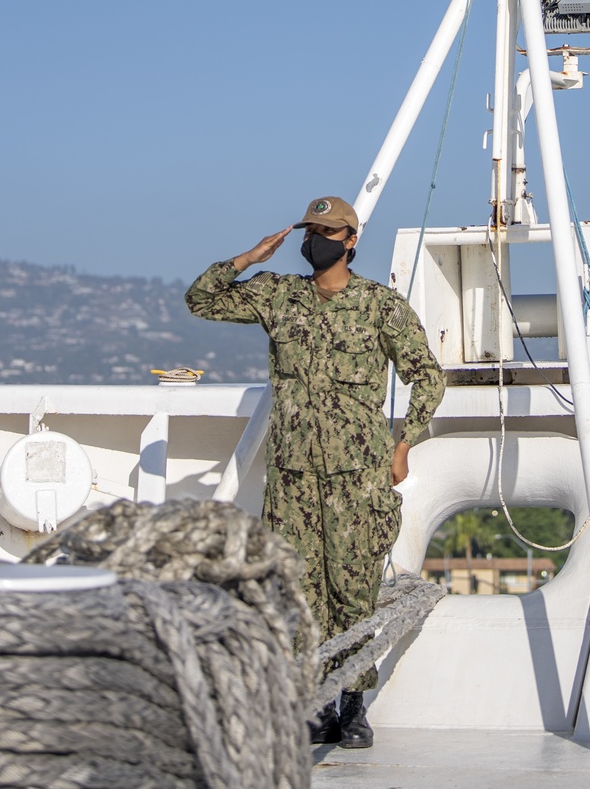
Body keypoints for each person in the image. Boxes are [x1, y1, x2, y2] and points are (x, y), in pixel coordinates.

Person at [185, 196, 445, 750]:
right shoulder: (278, 295)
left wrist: (404, 446)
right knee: (300, 593)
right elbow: (201, 300)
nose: (315, 241)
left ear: (351, 240)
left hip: (359, 475)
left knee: (352, 591)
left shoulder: (380, 306)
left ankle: (353, 705)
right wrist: (250, 257)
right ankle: (317, 701)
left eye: (328, 232)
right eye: (310, 231)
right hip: (294, 474)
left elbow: (428, 376)